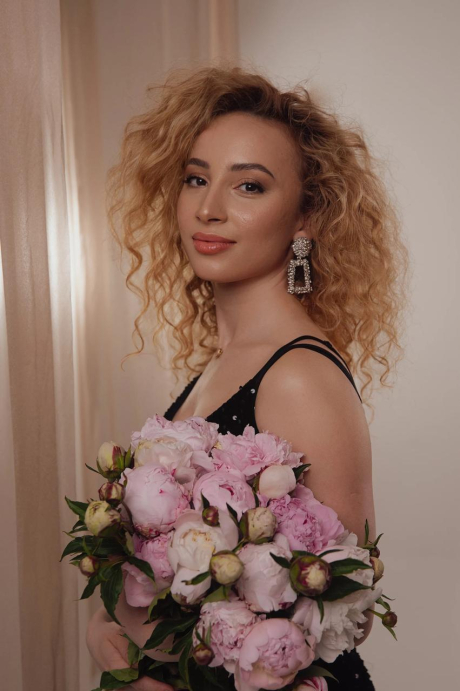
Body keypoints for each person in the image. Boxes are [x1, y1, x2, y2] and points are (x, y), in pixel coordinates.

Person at [86, 65, 409, 690]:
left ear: (305, 217)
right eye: (196, 179)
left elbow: (349, 609)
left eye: (249, 186)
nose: (209, 209)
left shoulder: (296, 376)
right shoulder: (221, 363)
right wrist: (111, 633)